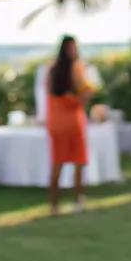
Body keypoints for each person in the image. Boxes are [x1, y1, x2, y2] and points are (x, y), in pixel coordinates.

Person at [45, 35, 93, 214]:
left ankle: (54, 205)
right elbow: (84, 94)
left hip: (56, 122)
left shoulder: (51, 69)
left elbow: (48, 91)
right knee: (77, 161)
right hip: (72, 121)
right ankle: (78, 200)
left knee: (57, 162)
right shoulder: (77, 68)